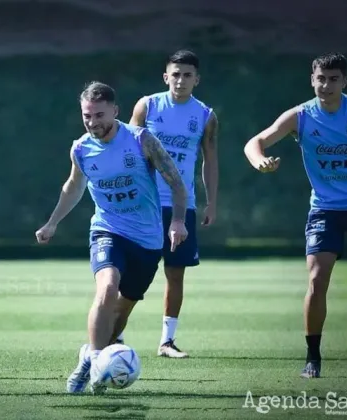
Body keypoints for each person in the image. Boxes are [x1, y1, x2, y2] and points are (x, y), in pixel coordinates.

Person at [243, 52, 347, 378]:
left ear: (345, 81)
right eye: (320, 79)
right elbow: (256, 141)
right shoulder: (300, 117)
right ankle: (313, 356)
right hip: (325, 209)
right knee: (317, 278)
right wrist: (259, 160)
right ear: (312, 80)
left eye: (333, 79)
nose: (326, 85)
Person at [35, 81, 188, 394]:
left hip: (147, 240)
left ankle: (96, 355)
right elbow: (73, 187)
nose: (93, 123)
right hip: (108, 229)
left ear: (116, 111)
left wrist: (178, 222)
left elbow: (176, 182)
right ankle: (91, 363)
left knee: (120, 313)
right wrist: (52, 223)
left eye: (99, 115)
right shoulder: (80, 148)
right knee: (106, 288)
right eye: (87, 116)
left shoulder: (141, 140)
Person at [126, 49, 218, 358]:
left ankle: (166, 341)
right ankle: (116, 336)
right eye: (175, 74)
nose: (180, 80)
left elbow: (209, 161)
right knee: (129, 271)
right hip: (145, 205)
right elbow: (127, 149)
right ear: (166, 77)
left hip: (182, 206)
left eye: (187, 75)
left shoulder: (205, 115)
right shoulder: (148, 105)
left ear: (197, 79)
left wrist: (211, 202)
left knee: (175, 272)